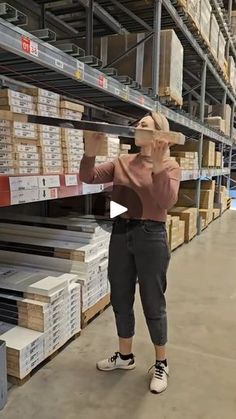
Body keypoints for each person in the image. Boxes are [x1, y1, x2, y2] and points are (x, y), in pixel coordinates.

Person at [79, 111, 181, 394]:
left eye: (145, 125)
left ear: (159, 134)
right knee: (120, 295)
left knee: (152, 299)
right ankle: (125, 357)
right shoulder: (122, 162)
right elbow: (87, 177)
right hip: (122, 233)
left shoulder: (171, 166)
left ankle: (161, 362)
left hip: (152, 235)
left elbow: (166, 201)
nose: (138, 127)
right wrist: (90, 152)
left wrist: (159, 167)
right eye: (137, 124)